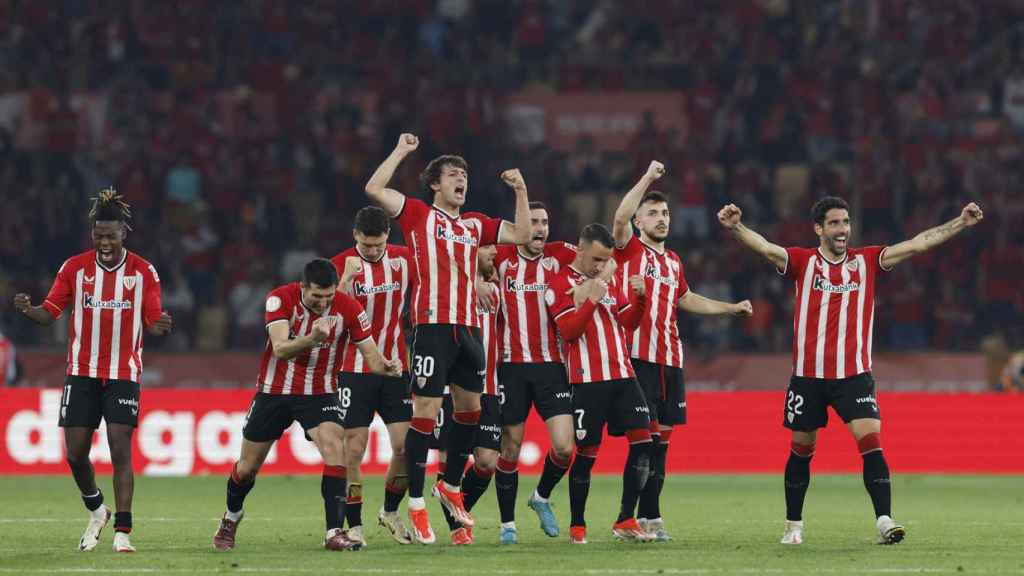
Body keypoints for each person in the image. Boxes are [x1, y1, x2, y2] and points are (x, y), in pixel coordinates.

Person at [718, 197, 984, 545]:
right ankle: (793, 526)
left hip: (855, 375)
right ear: (819, 228)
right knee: (801, 450)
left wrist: (960, 222)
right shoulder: (803, 261)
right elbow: (767, 248)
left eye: (845, 222)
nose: (843, 229)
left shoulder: (868, 260)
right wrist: (736, 227)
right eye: (834, 223)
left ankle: (885, 521)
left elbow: (918, 244)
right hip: (808, 377)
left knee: (871, 444)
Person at [364, 133, 531, 543]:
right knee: (425, 411)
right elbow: (373, 188)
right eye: (453, 175)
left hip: (468, 329)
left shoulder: (475, 224)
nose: (462, 180)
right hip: (431, 326)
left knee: (470, 410)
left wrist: (522, 190)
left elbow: (524, 234)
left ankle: (450, 485)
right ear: (435, 184)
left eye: (465, 175)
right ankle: (417, 504)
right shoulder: (418, 214)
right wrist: (402, 151)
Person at [12, 188, 172, 553]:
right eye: (98, 235)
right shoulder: (74, 268)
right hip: (81, 372)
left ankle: (123, 532)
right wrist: (28, 309)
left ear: (123, 233)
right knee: (75, 453)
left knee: (120, 447)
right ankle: (97, 509)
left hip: (123, 373)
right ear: (92, 234)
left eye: (110, 235)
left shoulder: (144, 271)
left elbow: (152, 316)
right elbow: (49, 312)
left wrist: (158, 324)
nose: (104, 241)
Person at [212, 258, 401, 552]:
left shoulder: (349, 308)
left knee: (335, 447)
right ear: (303, 287)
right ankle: (231, 516)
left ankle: (333, 532)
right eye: (316, 297)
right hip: (274, 391)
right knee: (247, 468)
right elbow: (281, 349)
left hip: (320, 392)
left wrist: (387, 366)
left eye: (328, 297)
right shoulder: (280, 298)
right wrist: (312, 338)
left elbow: (373, 357)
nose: (323, 303)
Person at [610, 162, 753, 540]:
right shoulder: (627, 250)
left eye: (666, 213)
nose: (662, 219)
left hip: (670, 360)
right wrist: (648, 179)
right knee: (643, 441)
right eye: (653, 213)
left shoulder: (673, 261)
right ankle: (626, 519)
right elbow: (620, 215)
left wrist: (729, 308)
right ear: (640, 222)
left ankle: (651, 518)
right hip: (637, 358)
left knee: (661, 446)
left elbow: (687, 299)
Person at [544, 223, 651, 544]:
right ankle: (578, 525)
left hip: (623, 374)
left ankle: (625, 518)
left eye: (605, 261)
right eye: (595, 260)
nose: (601, 266)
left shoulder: (609, 278)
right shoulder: (560, 283)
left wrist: (641, 300)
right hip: (588, 381)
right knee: (588, 454)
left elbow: (627, 321)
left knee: (644, 443)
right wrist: (592, 296)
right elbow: (570, 332)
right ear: (580, 251)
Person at [491, 201, 578, 543]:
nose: (540, 228)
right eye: (534, 222)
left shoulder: (561, 257)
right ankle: (507, 525)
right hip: (511, 367)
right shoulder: (500, 259)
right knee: (509, 449)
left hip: (552, 368)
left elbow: (601, 258)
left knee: (564, 447)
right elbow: (471, 265)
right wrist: (482, 284)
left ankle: (540, 496)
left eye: (545, 222)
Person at [331, 206, 414, 546]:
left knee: (407, 446)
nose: (373, 251)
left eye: (379, 245)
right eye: (367, 246)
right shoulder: (340, 264)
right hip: (353, 369)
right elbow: (332, 317)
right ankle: (354, 524)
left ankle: (391, 510)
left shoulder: (405, 260)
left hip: (395, 366)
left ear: (388, 238)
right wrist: (347, 280)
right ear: (355, 237)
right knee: (353, 449)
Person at [434, 244, 503, 545]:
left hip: (488, 387)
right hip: (454, 388)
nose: (493, 257)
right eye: (487, 252)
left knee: (487, 462)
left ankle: (458, 506)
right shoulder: (449, 288)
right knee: (450, 459)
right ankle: (457, 529)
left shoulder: (497, 291)